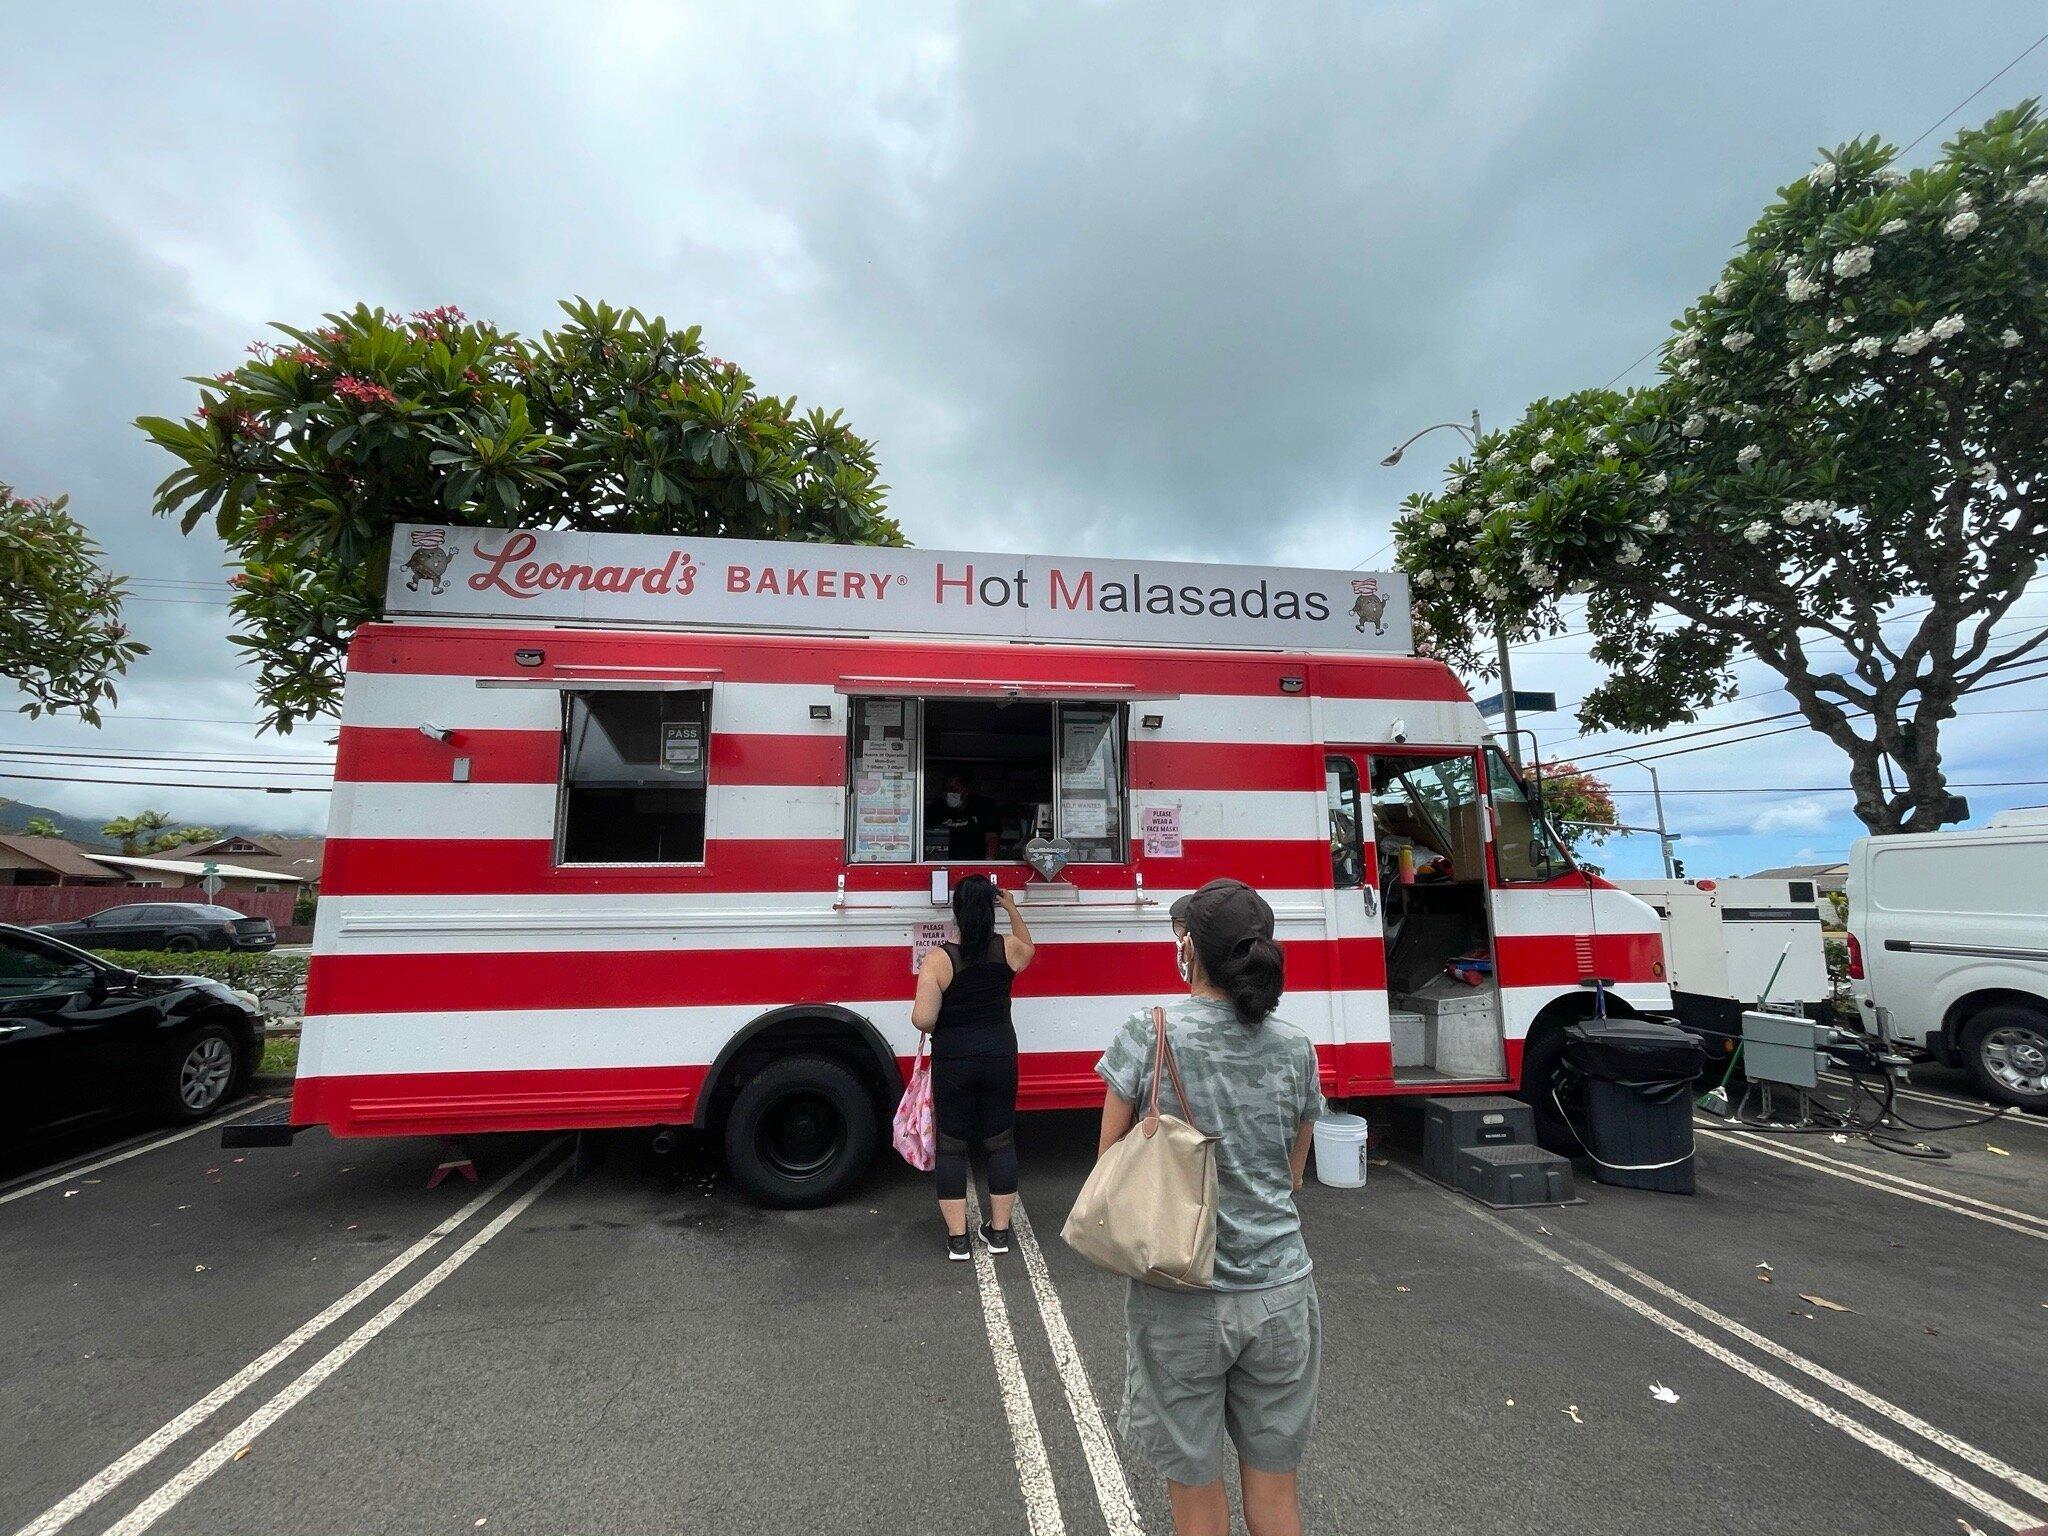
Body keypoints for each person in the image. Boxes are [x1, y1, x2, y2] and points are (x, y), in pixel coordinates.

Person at [1093, 878, 1325, 1536]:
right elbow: (1294, 1176)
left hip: (1181, 1294)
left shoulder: (1149, 1033)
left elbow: (1108, 1162)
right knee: (1278, 1499)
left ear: (1188, 947)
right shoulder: (1297, 1048)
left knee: (1196, 1496)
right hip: (1283, 1293)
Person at [910, 873, 1035, 1260]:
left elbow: (922, 1019)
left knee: (952, 1146)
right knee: (1000, 1140)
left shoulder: (939, 959)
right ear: (990, 909)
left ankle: (958, 1240)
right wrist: (1012, 906)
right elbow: (1029, 947)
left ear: (957, 911)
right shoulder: (1009, 949)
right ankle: (998, 1234)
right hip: (1000, 1054)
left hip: (955, 1058)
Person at [932, 770, 1001, 860]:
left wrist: (989, 862)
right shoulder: (936, 808)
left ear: (966, 790)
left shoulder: (984, 806)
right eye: (946, 790)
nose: (949, 793)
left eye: (954, 790)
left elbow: (992, 837)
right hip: (942, 862)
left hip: (974, 862)